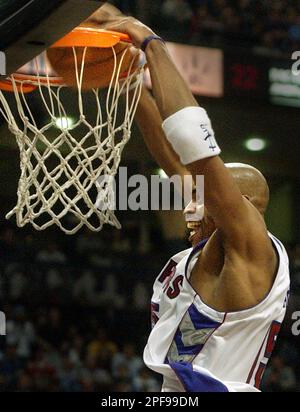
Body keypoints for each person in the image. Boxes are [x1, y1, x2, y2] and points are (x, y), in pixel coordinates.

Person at [93, 5, 290, 392]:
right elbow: (171, 157)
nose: (188, 204)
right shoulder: (216, 240)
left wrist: (149, 42)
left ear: (242, 204)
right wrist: (128, 82)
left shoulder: (251, 245)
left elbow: (194, 152)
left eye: (204, 197)